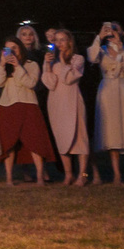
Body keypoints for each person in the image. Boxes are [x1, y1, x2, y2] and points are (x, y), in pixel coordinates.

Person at [0, 33, 58, 186]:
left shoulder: (31, 64)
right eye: (8, 49)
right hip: (8, 106)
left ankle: (40, 176)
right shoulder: (4, 67)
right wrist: (2, 65)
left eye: (14, 48)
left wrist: (18, 66)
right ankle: (9, 178)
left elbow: (31, 83)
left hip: (28, 105)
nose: (11, 52)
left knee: (35, 140)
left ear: (20, 48)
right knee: (9, 142)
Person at [90, 24, 124, 182]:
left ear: (122, 32)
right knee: (112, 130)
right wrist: (99, 37)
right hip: (108, 89)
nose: (112, 31)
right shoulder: (101, 50)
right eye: (109, 29)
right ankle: (117, 174)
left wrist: (120, 48)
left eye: (115, 28)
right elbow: (92, 58)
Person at [43, 30, 92, 186]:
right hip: (56, 102)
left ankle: (83, 175)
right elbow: (50, 83)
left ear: (70, 41)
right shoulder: (52, 61)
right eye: (57, 40)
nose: (59, 43)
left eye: (63, 40)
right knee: (61, 137)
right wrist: (47, 65)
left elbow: (69, 78)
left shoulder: (77, 59)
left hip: (73, 100)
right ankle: (68, 174)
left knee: (80, 138)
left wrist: (64, 62)